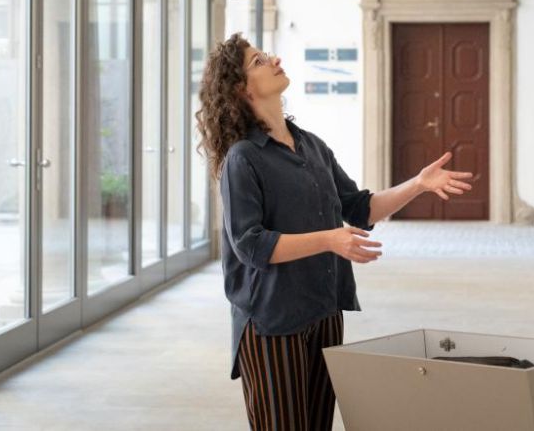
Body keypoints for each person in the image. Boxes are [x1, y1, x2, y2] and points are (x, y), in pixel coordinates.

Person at [196, 33, 473, 431]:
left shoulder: (312, 146)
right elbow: (250, 245)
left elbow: (360, 208)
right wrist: (330, 239)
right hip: (272, 320)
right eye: (258, 61)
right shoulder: (243, 159)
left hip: (324, 309)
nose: (274, 60)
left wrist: (418, 184)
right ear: (241, 89)